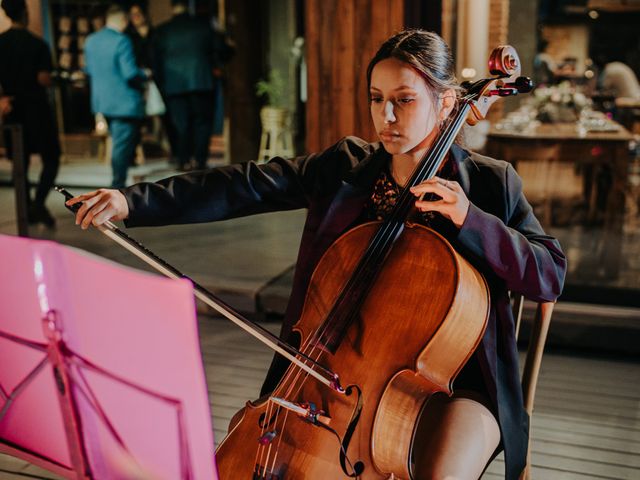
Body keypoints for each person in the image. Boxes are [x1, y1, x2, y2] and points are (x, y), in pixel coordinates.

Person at [67, 30, 566, 480]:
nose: (386, 117)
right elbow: (245, 186)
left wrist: (472, 220)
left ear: (447, 102)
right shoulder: (346, 167)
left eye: (405, 100)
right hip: (330, 378)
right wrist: (133, 200)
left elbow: (548, 273)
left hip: (458, 387)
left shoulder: (489, 183)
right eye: (376, 99)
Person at [0, 0, 61, 228]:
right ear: (25, 13)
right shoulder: (37, 44)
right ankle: (38, 203)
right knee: (51, 157)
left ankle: (28, 208)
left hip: (13, 108)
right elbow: (42, 78)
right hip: (36, 107)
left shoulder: (1, 43)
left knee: (20, 163)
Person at [83, 4, 149, 188]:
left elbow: (87, 69)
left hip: (102, 101)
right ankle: (116, 188)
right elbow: (130, 73)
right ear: (124, 20)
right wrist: (145, 74)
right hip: (124, 102)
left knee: (119, 144)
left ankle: (118, 185)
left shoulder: (91, 40)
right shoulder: (122, 40)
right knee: (121, 147)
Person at [152, 0, 215, 171]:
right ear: (188, 7)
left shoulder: (163, 30)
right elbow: (219, 50)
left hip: (174, 85)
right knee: (202, 123)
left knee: (180, 124)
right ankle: (200, 161)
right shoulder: (203, 26)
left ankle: (182, 159)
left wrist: (161, 84)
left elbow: (155, 61)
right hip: (201, 81)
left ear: (173, 8)